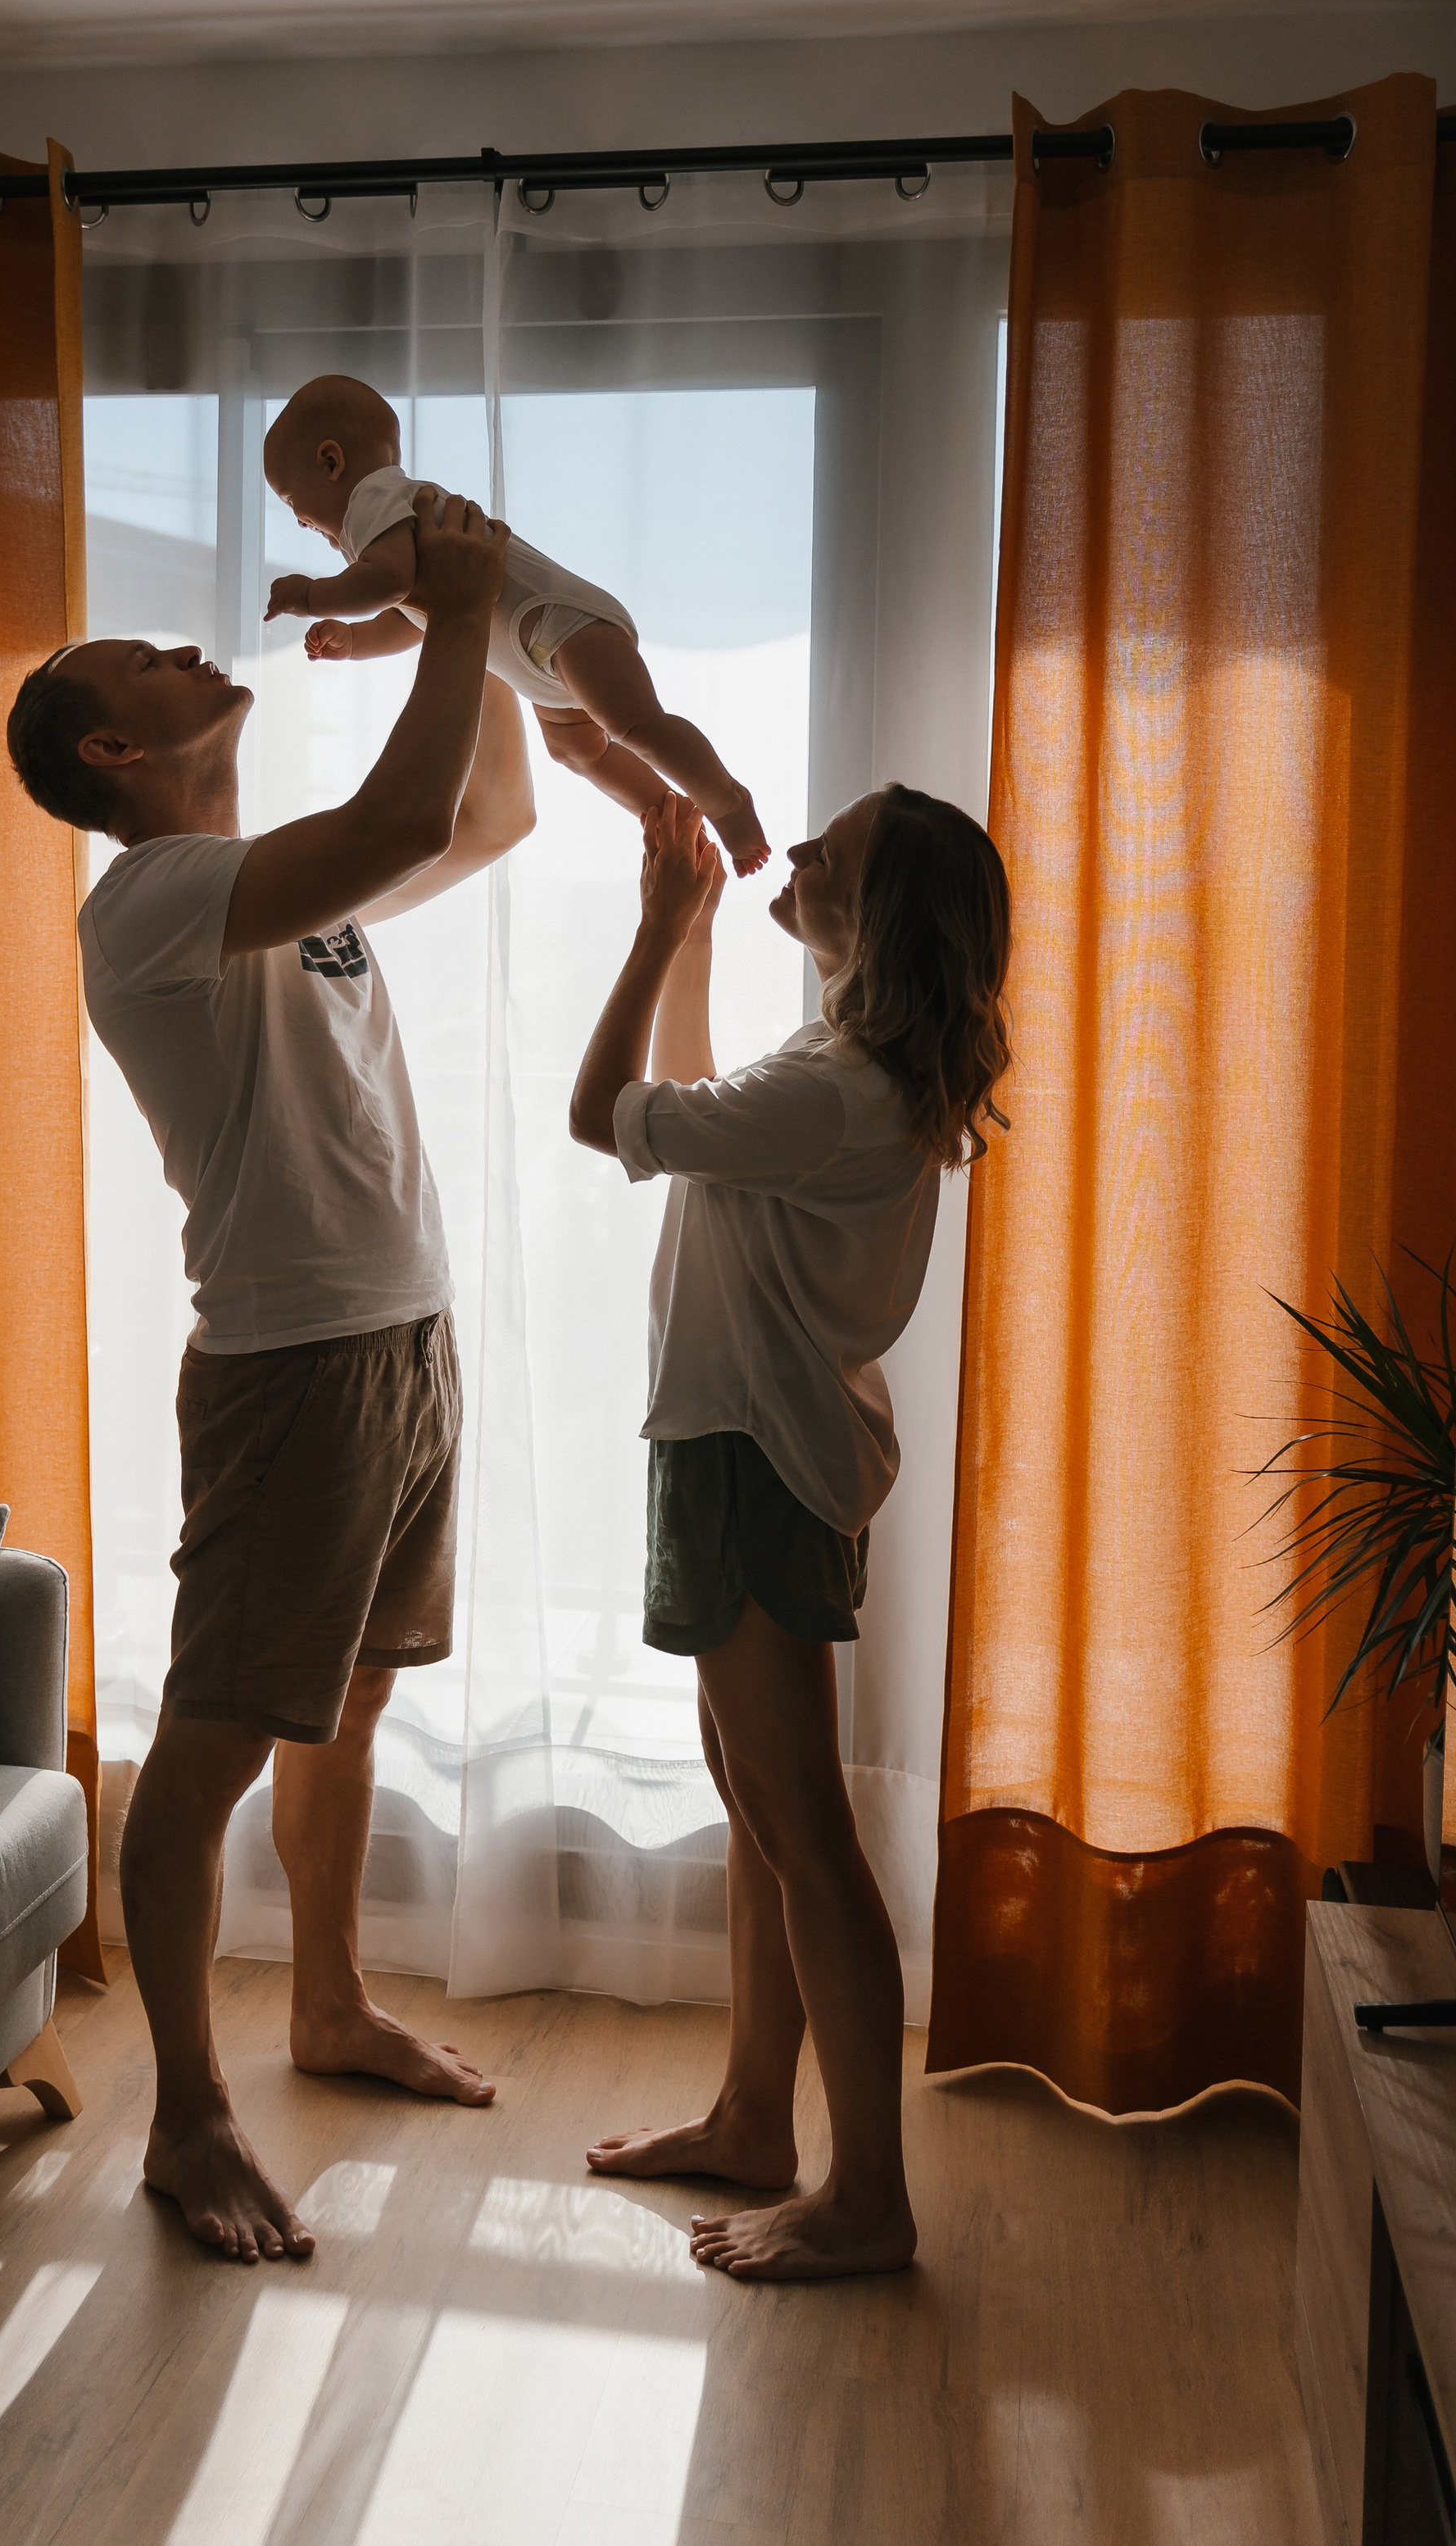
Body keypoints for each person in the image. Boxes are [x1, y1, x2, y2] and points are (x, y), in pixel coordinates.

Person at [6, 488, 533, 2267]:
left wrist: (480, 626)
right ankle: (190, 2112)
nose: (182, 647)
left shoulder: (272, 887)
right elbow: (401, 809)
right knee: (218, 1741)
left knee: (356, 1698)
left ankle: (324, 2004)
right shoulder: (147, 903)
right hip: (292, 1371)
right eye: (143, 663)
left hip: (401, 1334)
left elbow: (481, 809)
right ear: (114, 748)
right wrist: (456, 607)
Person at [569, 783, 1013, 2282]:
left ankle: (868, 2198)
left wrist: (649, 936)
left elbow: (604, 1115)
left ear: (878, 919)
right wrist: (695, 930)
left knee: (804, 1832)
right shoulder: (840, 1066)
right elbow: (696, 1121)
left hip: (753, 1461)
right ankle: (759, 2116)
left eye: (835, 851)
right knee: (761, 1810)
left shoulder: (837, 1088)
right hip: (737, 1448)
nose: (802, 852)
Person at [260, 374, 770, 875]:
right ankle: (665, 810)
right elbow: (419, 614)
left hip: (561, 623)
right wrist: (354, 641)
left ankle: (728, 802)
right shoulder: (386, 524)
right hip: (538, 652)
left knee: (634, 725)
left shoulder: (372, 500)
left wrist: (310, 594)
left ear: (331, 461)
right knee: (574, 749)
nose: (300, 521)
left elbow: (389, 584)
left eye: (289, 501)